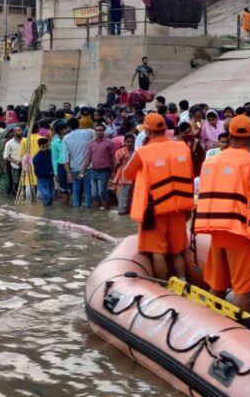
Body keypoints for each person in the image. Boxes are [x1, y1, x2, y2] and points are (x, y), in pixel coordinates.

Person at [194, 115, 250, 311]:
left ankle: (211, 325)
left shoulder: (211, 162)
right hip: (242, 231)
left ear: (229, 134)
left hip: (217, 230)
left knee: (217, 284)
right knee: (243, 288)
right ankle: (241, 330)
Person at [124, 113, 195, 282]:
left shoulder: (142, 152)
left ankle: (162, 287)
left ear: (148, 132)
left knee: (158, 254)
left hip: (153, 211)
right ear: (165, 129)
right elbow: (191, 174)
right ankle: (182, 280)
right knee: (176, 251)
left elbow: (127, 174)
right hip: (178, 207)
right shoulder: (182, 147)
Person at [62, 117, 94, 208]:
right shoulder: (89, 132)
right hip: (88, 168)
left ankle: (76, 210)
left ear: (69, 127)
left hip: (75, 168)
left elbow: (65, 158)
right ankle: (88, 208)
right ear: (79, 124)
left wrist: (68, 173)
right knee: (88, 190)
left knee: (76, 190)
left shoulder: (66, 138)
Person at [83, 123, 116, 211]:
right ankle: (97, 215)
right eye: (97, 130)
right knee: (94, 194)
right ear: (95, 132)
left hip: (105, 171)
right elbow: (88, 158)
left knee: (102, 193)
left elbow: (114, 158)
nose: (99, 132)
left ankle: (106, 212)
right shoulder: (91, 144)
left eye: (101, 130)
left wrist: (114, 172)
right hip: (94, 171)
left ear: (104, 131)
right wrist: (82, 170)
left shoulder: (110, 143)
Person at [113, 133, 136, 216]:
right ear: (125, 142)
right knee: (121, 202)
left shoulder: (136, 152)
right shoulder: (119, 152)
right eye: (128, 142)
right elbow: (115, 166)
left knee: (131, 201)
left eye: (131, 142)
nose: (130, 144)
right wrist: (120, 160)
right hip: (121, 179)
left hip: (133, 179)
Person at [32, 137, 55, 206]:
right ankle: (46, 213)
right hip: (42, 180)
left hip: (50, 179)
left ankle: (48, 214)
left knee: (51, 198)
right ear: (39, 147)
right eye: (43, 147)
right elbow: (37, 172)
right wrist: (49, 173)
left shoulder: (51, 153)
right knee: (47, 196)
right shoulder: (37, 158)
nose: (46, 148)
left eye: (47, 146)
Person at [4, 126, 23, 194]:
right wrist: (16, 162)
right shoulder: (9, 143)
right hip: (15, 166)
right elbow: (6, 156)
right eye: (18, 130)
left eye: (21, 130)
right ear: (14, 132)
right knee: (16, 184)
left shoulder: (25, 141)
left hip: (25, 165)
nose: (21, 132)